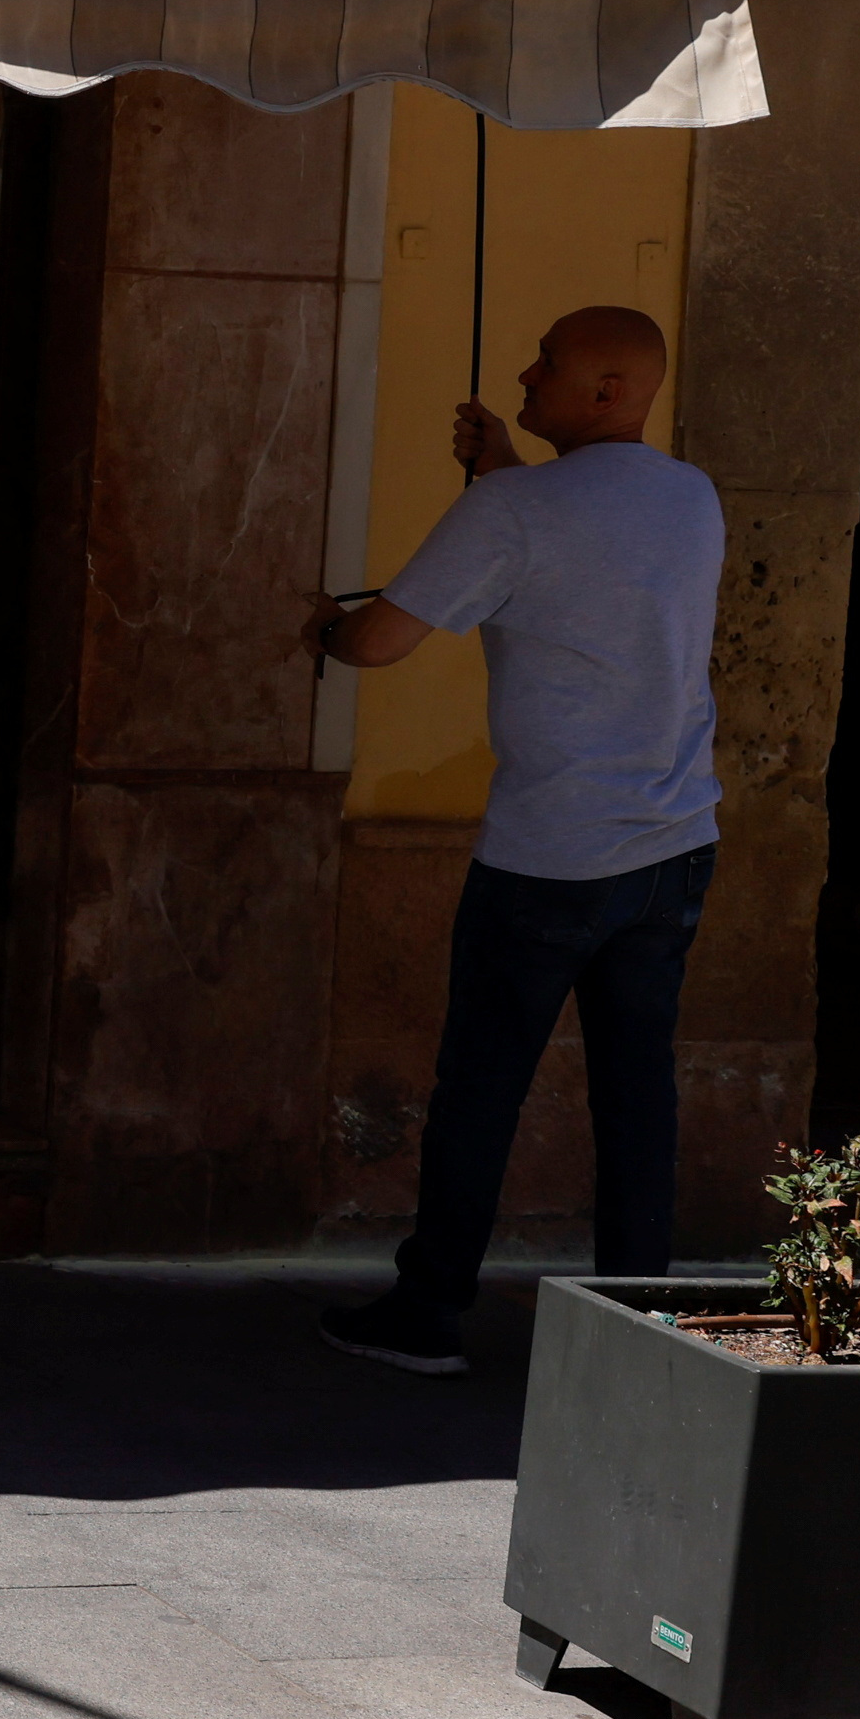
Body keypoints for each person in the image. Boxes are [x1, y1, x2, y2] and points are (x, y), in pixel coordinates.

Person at [305, 304, 721, 1377]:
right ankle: (639, 1329)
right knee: (637, 1091)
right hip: (673, 844)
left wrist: (319, 626)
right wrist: (501, 464)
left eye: (552, 366)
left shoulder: (513, 511)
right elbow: (592, 539)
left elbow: (379, 640)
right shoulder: (690, 497)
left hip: (548, 854)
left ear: (606, 391)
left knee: (481, 1085)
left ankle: (431, 1305)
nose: (525, 373)